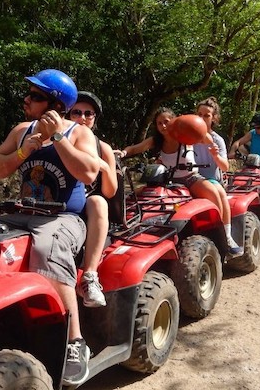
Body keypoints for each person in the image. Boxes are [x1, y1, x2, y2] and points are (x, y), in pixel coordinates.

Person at [0, 69, 99, 385]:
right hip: (21, 213)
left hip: (64, 219)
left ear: (55, 103)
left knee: (45, 247)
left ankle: (75, 341)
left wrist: (59, 138)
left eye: (35, 96)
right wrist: (26, 149)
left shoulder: (79, 132)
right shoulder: (23, 130)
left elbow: (90, 173)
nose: (27, 99)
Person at [117, 107, 243, 257]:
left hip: (190, 178)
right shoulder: (156, 140)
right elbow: (135, 149)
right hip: (167, 181)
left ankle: (225, 237)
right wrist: (122, 153)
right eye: (159, 123)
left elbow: (203, 137)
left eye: (166, 122)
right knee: (133, 197)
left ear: (174, 122)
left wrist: (210, 145)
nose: (163, 126)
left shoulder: (184, 136)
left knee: (214, 194)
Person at [67, 91, 118, 308]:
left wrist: (105, 166)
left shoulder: (102, 147)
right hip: (55, 205)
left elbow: (109, 191)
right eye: (77, 112)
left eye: (89, 114)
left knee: (98, 202)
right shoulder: (59, 139)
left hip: (85, 208)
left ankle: (90, 277)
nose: (83, 117)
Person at [192, 97, 238, 255]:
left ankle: (226, 235)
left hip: (211, 179)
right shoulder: (188, 136)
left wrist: (216, 155)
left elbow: (225, 166)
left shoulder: (217, 140)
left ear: (214, 118)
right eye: (199, 114)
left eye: (206, 115)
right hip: (190, 177)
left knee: (220, 193)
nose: (202, 118)